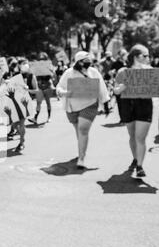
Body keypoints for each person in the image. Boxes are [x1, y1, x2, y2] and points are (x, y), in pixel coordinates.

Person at [56, 51, 110, 169]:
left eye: (88, 60)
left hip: (90, 105)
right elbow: (59, 87)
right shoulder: (69, 73)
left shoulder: (94, 72)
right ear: (78, 62)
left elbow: (102, 87)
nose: (88, 62)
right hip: (72, 107)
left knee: (83, 129)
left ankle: (81, 158)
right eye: (85, 60)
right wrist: (63, 92)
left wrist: (105, 104)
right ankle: (81, 150)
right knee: (78, 131)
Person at [113, 44, 153, 177]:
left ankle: (140, 167)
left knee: (140, 138)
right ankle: (135, 158)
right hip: (128, 104)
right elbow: (116, 90)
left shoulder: (150, 71)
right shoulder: (123, 72)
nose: (148, 58)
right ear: (136, 57)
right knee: (132, 136)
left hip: (144, 104)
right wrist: (127, 83)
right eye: (145, 55)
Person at [29, 52, 55, 124]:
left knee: (48, 102)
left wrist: (50, 71)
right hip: (40, 85)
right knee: (38, 102)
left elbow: (53, 75)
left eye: (43, 59)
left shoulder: (50, 66)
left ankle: (49, 117)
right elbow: (33, 73)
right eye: (40, 59)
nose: (41, 60)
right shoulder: (37, 66)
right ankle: (35, 117)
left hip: (48, 85)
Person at [111, 48, 128, 124]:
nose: (125, 56)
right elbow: (111, 72)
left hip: (127, 84)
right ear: (120, 56)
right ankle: (122, 119)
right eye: (123, 54)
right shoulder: (115, 63)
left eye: (125, 54)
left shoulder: (128, 63)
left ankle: (126, 118)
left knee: (127, 103)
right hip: (118, 84)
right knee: (120, 102)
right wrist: (112, 73)